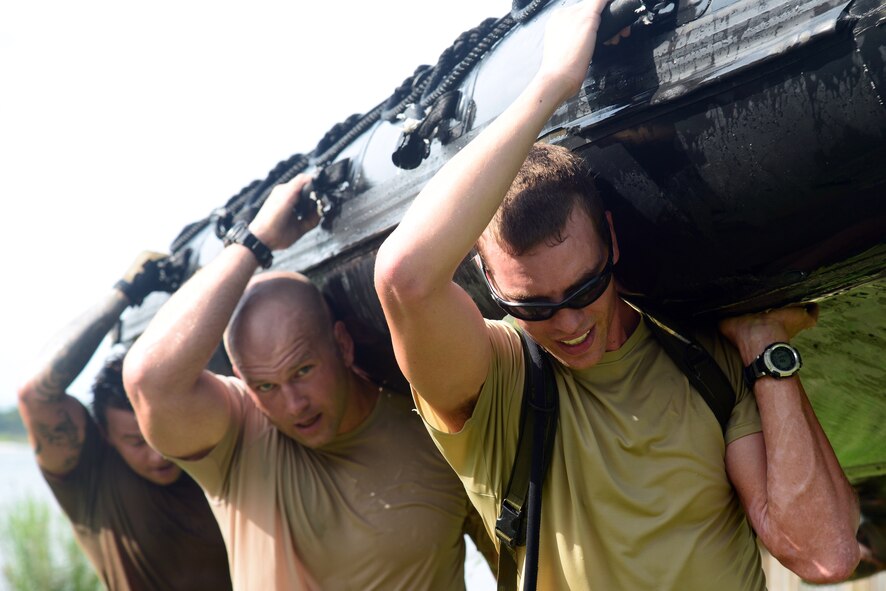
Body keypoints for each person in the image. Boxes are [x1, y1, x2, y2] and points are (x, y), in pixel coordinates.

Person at [373, 0, 861, 588]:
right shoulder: (495, 387)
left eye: (586, 286)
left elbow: (825, 555)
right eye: (535, 306)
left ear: (611, 240)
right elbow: (404, 277)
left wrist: (767, 352)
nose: (570, 321)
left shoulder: (703, 362)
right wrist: (553, 82)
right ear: (488, 281)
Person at [122, 175, 495, 590]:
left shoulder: (437, 432)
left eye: (302, 371)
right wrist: (256, 240)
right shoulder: (239, 442)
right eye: (266, 386)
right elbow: (149, 382)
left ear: (342, 345)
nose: (293, 404)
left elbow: (515, 566)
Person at [16, 251, 233, 591]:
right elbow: (35, 394)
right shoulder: (90, 479)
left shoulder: (213, 453)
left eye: (161, 431)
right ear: (105, 435)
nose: (159, 453)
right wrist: (125, 293)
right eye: (136, 440)